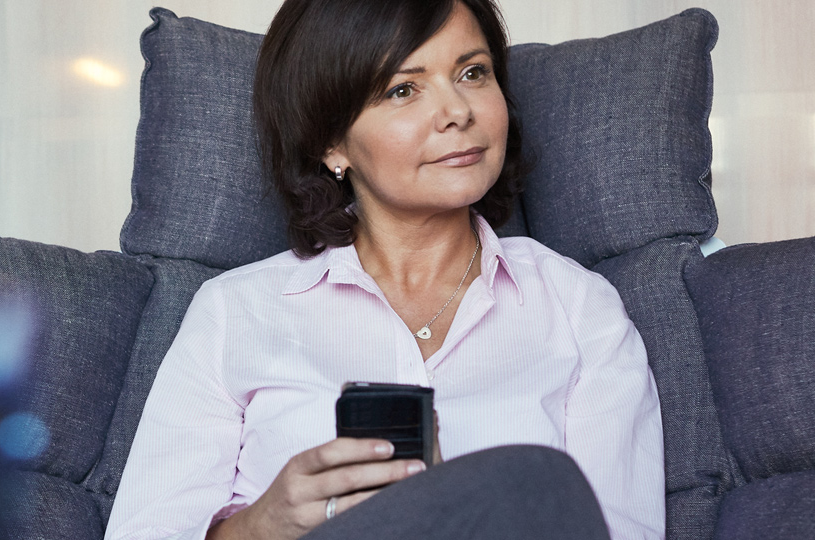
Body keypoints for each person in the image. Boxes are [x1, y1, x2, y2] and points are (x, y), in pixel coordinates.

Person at [104, 0, 664, 539]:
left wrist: (454, 509)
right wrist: (263, 527)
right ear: (331, 143)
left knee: (532, 481)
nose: (458, 112)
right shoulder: (234, 311)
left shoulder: (579, 307)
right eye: (403, 89)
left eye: (473, 73)